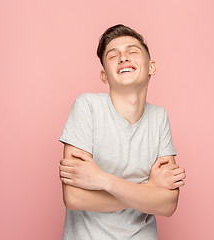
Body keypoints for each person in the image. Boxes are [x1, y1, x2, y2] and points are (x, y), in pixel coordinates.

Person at [59, 24, 186, 240]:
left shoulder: (159, 118)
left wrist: (103, 180)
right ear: (104, 76)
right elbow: (74, 197)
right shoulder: (87, 107)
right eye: (113, 55)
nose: (123, 58)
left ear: (151, 67)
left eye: (132, 51)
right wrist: (148, 190)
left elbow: (168, 204)